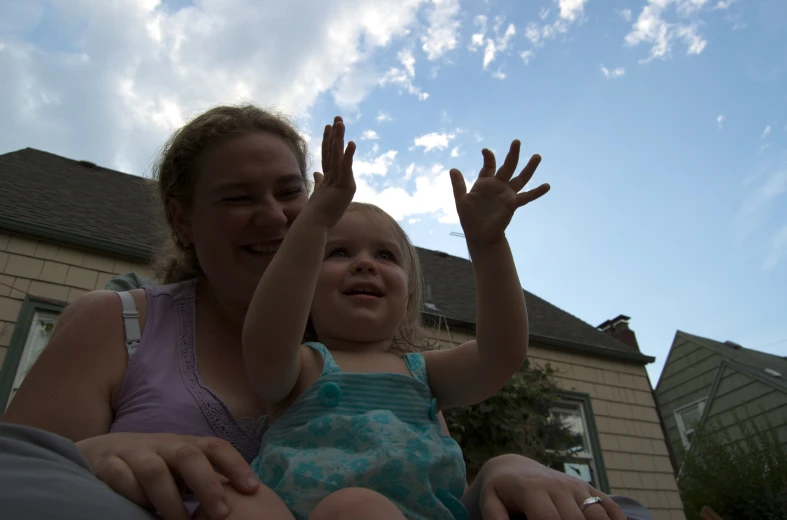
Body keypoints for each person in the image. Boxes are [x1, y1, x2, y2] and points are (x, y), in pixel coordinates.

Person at [0, 104, 655, 520]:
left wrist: (508, 467)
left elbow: (498, 357)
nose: (276, 217)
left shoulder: (392, 361)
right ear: (182, 217)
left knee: (617, 510)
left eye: (291, 194)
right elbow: (18, 472)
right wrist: (99, 451)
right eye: (238, 197)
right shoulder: (272, 351)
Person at [218, 115, 546, 520]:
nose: (364, 264)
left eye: (385, 256)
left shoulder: (424, 373)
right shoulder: (300, 366)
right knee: (230, 494)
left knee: (357, 507)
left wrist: (488, 243)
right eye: (338, 252)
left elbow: (502, 354)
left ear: (407, 295)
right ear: (304, 287)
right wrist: (315, 220)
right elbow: (267, 329)